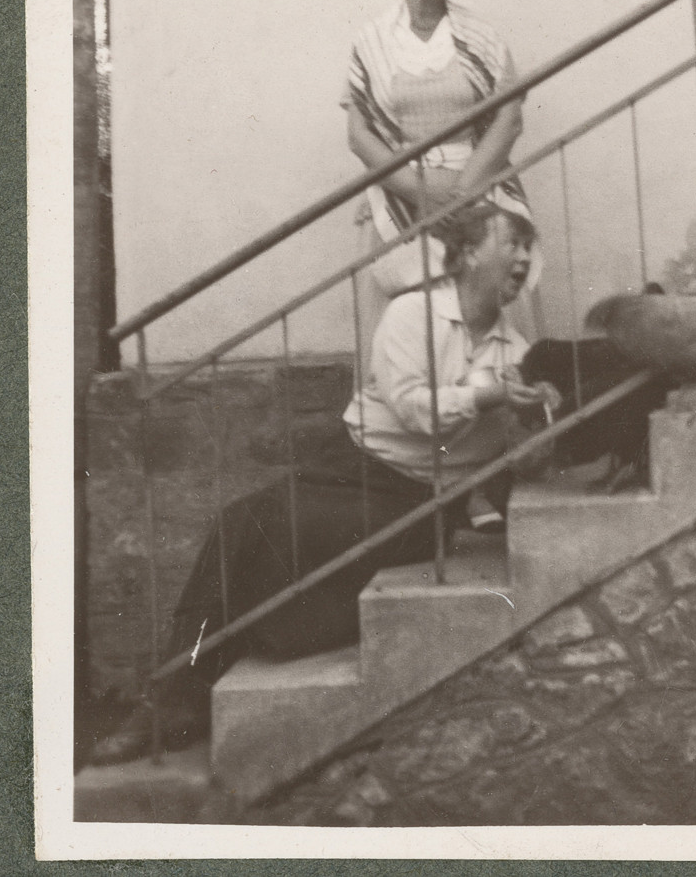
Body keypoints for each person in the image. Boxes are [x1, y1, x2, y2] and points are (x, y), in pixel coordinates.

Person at [88, 205, 558, 766]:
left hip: (425, 502)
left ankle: (186, 694)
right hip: (354, 467)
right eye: (512, 244)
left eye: (528, 248)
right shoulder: (412, 315)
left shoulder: (518, 354)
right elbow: (414, 410)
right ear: (468, 254)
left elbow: (522, 458)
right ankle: (171, 698)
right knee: (244, 522)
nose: (524, 259)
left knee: (281, 537)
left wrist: (540, 417)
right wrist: (489, 396)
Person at [344, 0, 540, 354]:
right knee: (407, 326)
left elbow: (509, 119)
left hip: (475, 187)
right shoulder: (371, 41)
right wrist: (420, 194)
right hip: (400, 195)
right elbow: (359, 134)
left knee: (486, 297)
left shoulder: (481, 36)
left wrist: (461, 196)